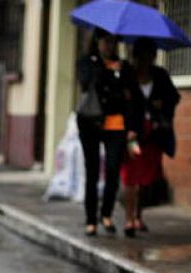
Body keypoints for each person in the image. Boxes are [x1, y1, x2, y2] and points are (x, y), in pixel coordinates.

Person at [76, 28, 143, 236]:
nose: (110, 46)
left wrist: (133, 129)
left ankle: (106, 213)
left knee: (113, 169)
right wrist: (107, 70)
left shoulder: (125, 68)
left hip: (116, 124)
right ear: (97, 42)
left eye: (114, 42)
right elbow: (86, 84)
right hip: (91, 122)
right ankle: (90, 219)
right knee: (92, 170)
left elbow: (134, 99)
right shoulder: (87, 63)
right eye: (106, 41)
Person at [120, 38, 181, 236]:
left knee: (146, 179)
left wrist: (161, 104)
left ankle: (138, 216)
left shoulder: (160, 75)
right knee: (130, 176)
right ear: (135, 56)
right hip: (132, 132)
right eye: (141, 56)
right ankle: (129, 219)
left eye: (149, 57)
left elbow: (174, 98)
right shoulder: (126, 75)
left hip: (153, 133)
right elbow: (116, 100)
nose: (145, 61)